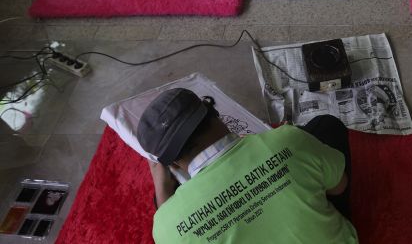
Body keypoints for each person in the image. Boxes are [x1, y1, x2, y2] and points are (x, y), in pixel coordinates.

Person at [136, 88, 357, 244]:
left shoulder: (167, 225)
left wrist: (163, 192)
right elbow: (340, 186)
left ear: (173, 164)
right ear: (215, 115)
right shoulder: (288, 140)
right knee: (326, 126)